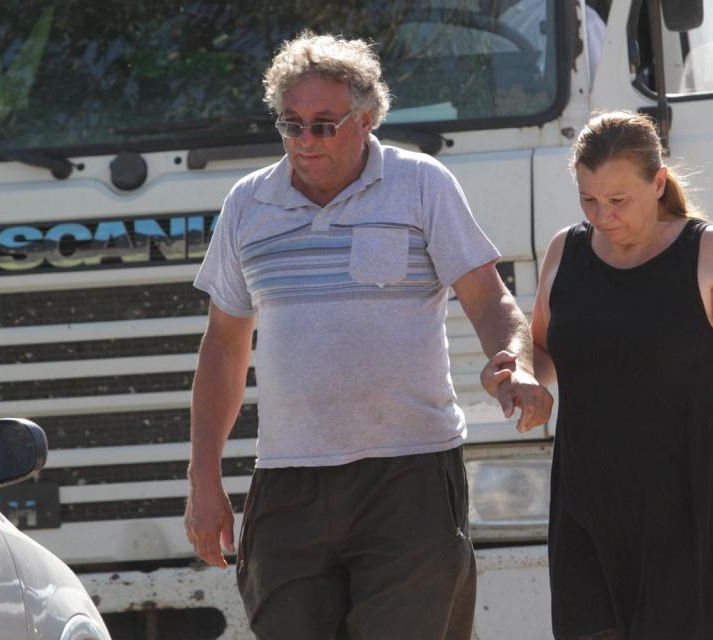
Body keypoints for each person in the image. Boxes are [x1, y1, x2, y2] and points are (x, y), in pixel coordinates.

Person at [183, 31, 553, 640]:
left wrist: (516, 363)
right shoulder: (248, 203)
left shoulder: (421, 183)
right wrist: (203, 478)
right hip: (288, 478)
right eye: (291, 123)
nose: (305, 140)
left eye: (324, 124)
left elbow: (490, 299)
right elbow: (224, 345)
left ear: (368, 117)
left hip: (409, 475)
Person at [482, 111, 713, 639]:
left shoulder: (708, 253)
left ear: (657, 183)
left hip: (692, 504)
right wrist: (519, 375)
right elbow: (542, 348)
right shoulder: (567, 250)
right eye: (589, 200)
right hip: (587, 506)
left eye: (618, 201)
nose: (602, 216)